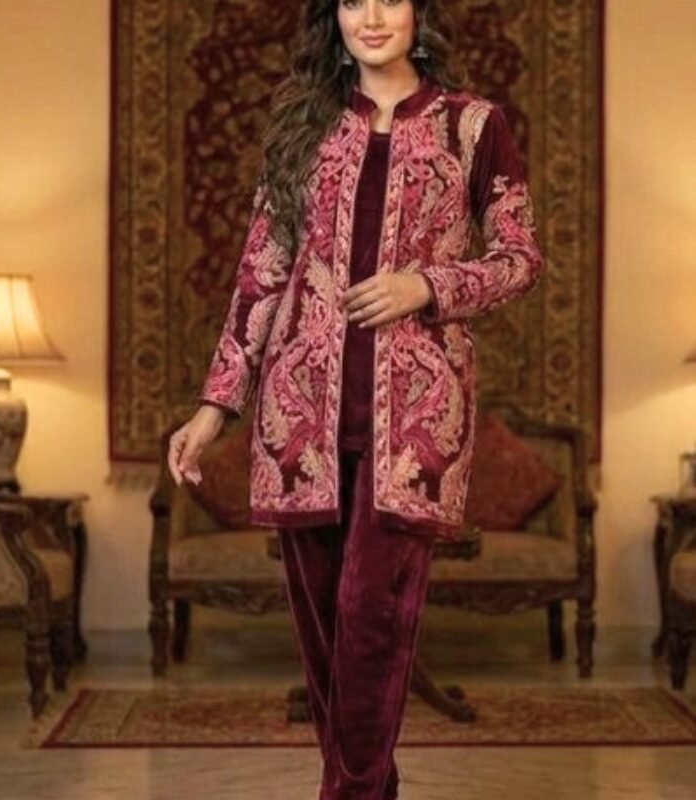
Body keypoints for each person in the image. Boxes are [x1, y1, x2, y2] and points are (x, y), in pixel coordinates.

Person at [167, 1, 543, 798]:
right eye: (351, 0)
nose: (371, 17)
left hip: (417, 422)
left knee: (372, 620)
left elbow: (519, 259)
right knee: (329, 644)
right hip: (298, 419)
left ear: (419, 11)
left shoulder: (473, 126)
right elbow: (261, 273)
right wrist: (214, 408)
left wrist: (426, 285)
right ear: (331, 16)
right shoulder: (301, 126)